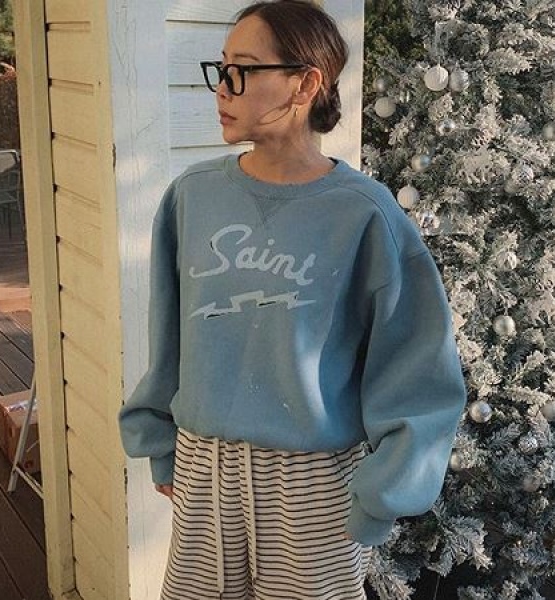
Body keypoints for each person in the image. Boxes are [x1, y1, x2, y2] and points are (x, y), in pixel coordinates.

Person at [118, 1, 467, 599]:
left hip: (314, 483)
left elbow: (417, 366)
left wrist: (383, 493)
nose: (222, 87)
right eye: (221, 68)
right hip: (204, 469)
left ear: (305, 83)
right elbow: (170, 334)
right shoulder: (192, 197)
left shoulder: (365, 214)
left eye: (242, 70)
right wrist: (162, 446)